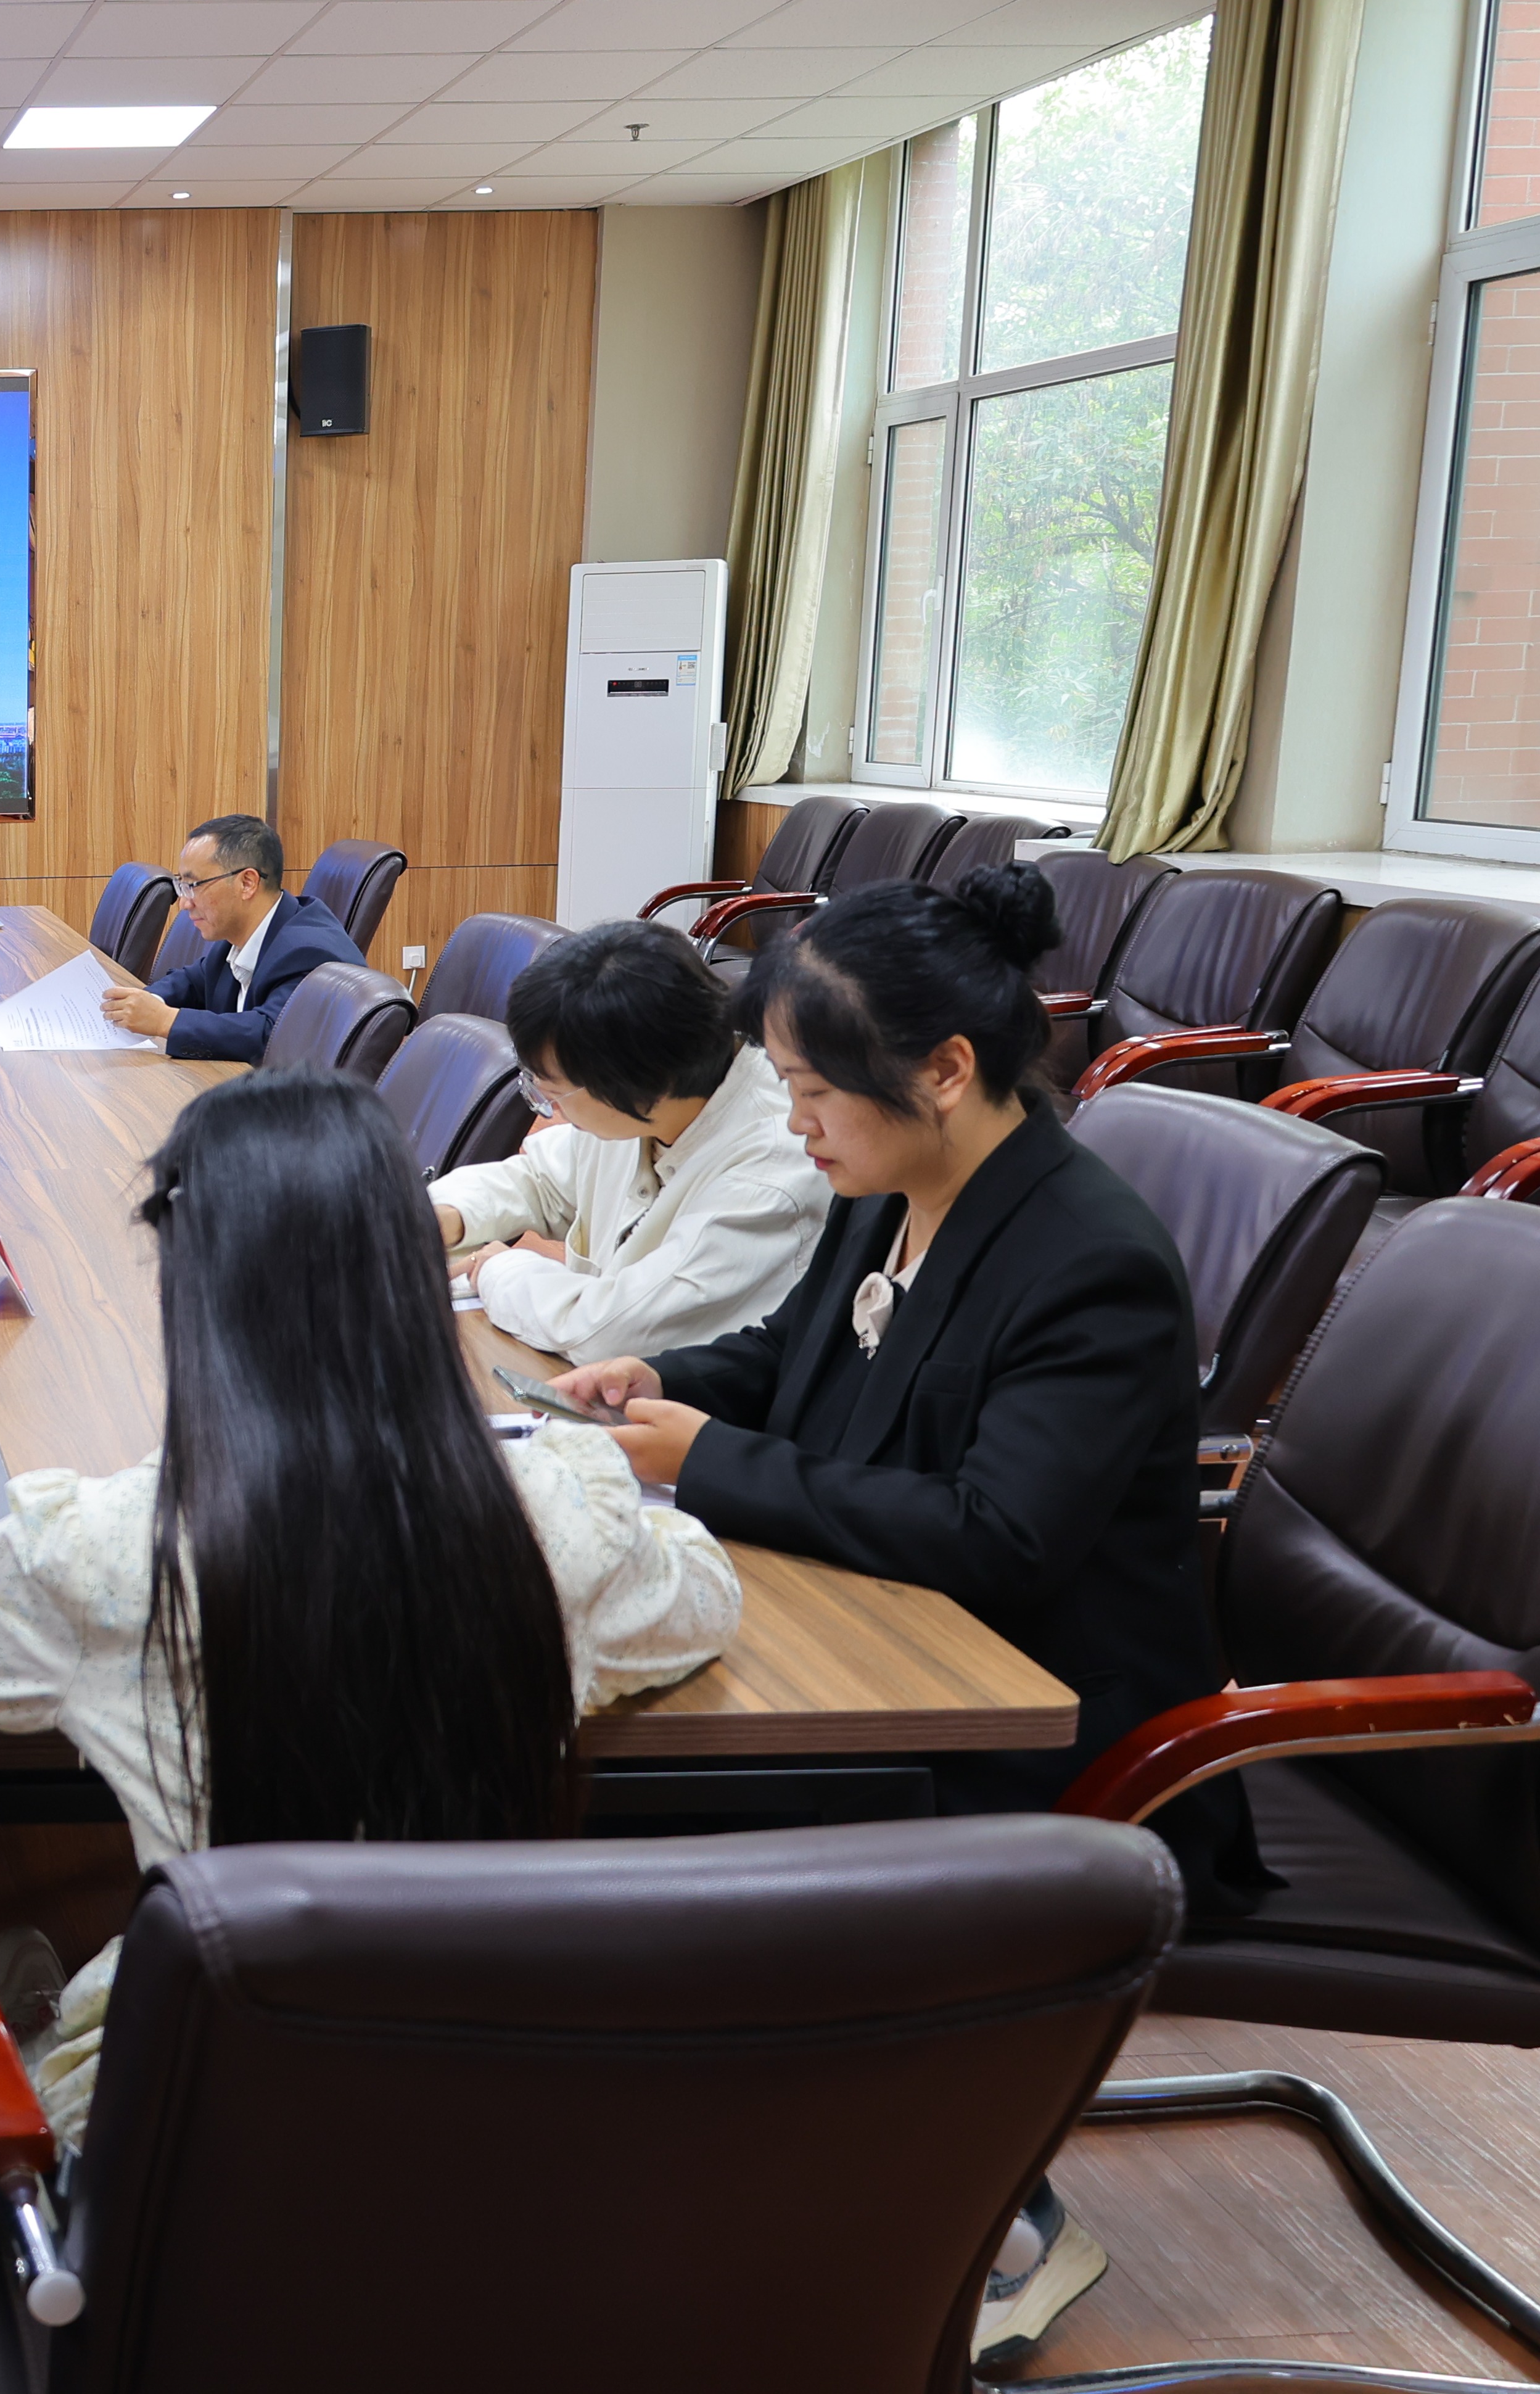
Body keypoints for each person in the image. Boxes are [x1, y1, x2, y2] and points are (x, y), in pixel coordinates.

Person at [0, 1070, 738, 2150]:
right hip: (491, 2125)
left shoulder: (102, 1552)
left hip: (192, 2132)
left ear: (192, 1280)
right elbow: (702, 1596)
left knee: (17, 1957)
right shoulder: (560, 1515)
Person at [552, 865, 1265, 2368]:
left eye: (814, 1087)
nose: (793, 1118)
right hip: (908, 1652)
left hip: (1055, 1731)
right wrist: (667, 1391)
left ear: (946, 1072)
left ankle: (966, 2205)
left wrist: (713, 1462)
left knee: (624, 1785)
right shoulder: (888, 1191)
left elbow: (999, 1539)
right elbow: (793, 1358)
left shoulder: (1089, 1261)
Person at [434, 920, 830, 1362]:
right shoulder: (638, 1108)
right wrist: (451, 1216)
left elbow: (613, 1333)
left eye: (554, 1089)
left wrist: (498, 1270)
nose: (547, 1105)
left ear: (644, 1083)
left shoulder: (774, 1169)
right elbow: (542, 1181)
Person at [96, 814, 368, 1059]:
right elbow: (193, 981)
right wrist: (139, 1004)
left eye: (194, 886)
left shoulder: (309, 952)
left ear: (247, 883)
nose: (184, 903)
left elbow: (270, 1035)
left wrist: (166, 1021)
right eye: (183, 886)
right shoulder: (246, 934)